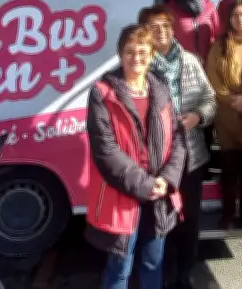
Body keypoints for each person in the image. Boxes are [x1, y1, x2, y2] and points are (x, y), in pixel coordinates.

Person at [85, 24, 187, 289]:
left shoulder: (161, 89)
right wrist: (145, 184)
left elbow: (177, 139)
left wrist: (167, 178)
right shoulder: (102, 93)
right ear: (120, 54)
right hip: (122, 193)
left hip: (159, 194)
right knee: (120, 267)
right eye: (129, 52)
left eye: (142, 52)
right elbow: (105, 149)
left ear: (152, 54)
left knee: (153, 264)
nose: (136, 59)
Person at [137, 5, 217, 289]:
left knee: (189, 220)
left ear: (172, 29)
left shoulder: (191, 61)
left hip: (190, 155)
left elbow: (210, 98)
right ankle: (158, 275)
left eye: (164, 26)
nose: (160, 31)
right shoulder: (139, 63)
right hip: (153, 158)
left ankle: (184, 275)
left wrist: (197, 117)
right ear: (144, 31)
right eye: (153, 26)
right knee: (157, 220)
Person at [204, 0, 242, 230]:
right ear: (230, 19)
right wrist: (231, 99)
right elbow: (212, 77)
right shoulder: (220, 44)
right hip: (227, 115)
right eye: (236, 15)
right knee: (228, 169)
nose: (240, 19)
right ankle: (227, 213)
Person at [162, 0, 220, 64]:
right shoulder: (168, 8)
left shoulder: (209, 6)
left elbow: (218, 37)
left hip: (206, 68)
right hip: (179, 66)